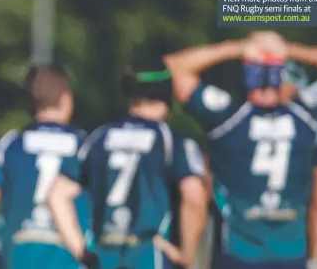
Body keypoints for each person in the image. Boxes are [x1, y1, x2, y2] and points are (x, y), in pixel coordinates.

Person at [163, 31, 317, 269]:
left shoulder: (228, 118)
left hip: (237, 254)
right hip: (291, 254)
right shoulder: (308, 119)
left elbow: (172, 69)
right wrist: (288, 50)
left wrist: (237, 48)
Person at [46, 57, 208, 269]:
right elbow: (194, 196)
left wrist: (83, 252)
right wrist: (187, 254)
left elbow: (56, 195)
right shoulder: (172, 142)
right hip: (151, 255)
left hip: (105, 255)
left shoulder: (98, 138)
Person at [0, 66, 93, 269]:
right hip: (68, 260)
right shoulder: (86, 147)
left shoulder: (9, 145)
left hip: (15, 258)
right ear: (66, 98)